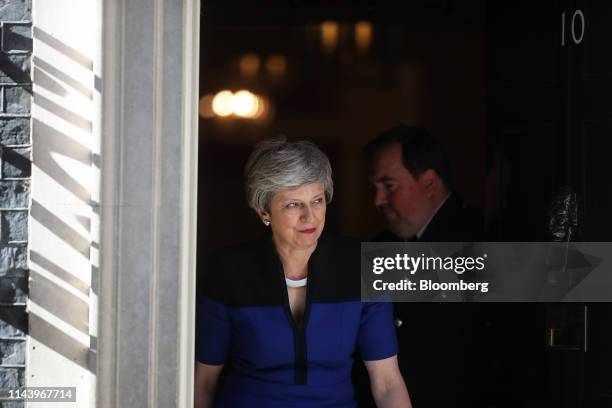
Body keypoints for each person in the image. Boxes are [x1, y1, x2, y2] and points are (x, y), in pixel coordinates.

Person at [194, 138, 412, 408]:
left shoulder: (362, 265)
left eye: (317, 200)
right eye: (293, 204)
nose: (310, 216)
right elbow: (203, 381)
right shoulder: (229, 272)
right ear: (264, 211)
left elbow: (388, 383)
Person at [358, 126, 483, 407]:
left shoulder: (482, 239)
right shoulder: (377, 247)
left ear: (428, 182)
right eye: (375, 188)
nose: (378, 201)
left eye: (388, 185)